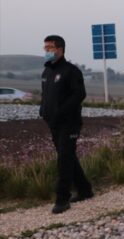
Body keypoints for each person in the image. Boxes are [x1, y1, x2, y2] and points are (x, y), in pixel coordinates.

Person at [40, 35, 93, 214]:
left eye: (50, 47)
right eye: (45, 47)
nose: (47, 51)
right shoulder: (46, 72)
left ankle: (62, 198)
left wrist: (61, 111)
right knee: (67, 155)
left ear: (60, 49)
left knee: (64, 159)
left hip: (69, 123)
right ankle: (85, 190)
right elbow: (45, 95)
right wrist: (43, 111)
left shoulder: (71, 71)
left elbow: (79, 95)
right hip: (53, 123)